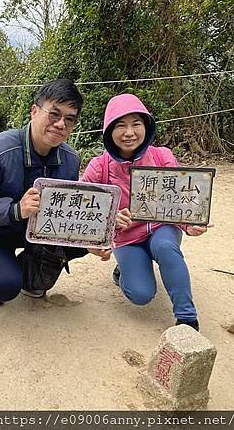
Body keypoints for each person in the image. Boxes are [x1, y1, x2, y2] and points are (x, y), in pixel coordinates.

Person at [0, 79, 110, 305]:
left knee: (45, 275)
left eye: (69, 119)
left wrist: (88, 242)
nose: (60, 124)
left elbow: (65, 216)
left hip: (32, 229)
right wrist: (15, 209)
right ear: (34, 111)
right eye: (54, 114)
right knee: (2, 287)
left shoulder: (69, 159)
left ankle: (27, 277)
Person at [81, 93, 209, 331]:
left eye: (136, 124)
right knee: (140, 294)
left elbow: (179, 199)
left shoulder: (162, 156)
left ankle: (187, 318)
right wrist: (109, 221)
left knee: (165, 247)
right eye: (120, 125)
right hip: (127, 239)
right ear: (109, 131)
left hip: (162, 229)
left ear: (146, 127)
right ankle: (124, 271)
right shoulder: (99, 167)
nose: (129, 132)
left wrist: (189, 224)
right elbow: (84, 209)